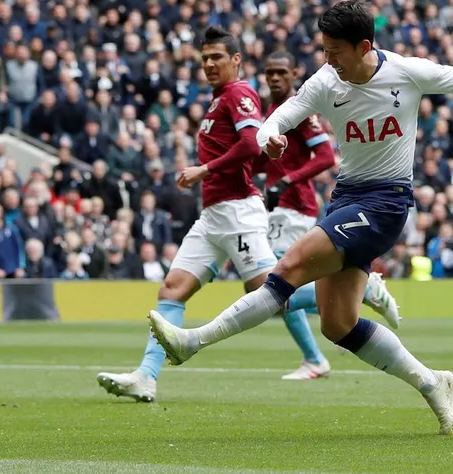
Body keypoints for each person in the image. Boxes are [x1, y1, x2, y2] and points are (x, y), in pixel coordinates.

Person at [147, 0, 453, 435]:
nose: (328, 60)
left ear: (364, 45)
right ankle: (433, 382)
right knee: (338, 325)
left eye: (335, 51)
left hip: (387, 202)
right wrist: (270, 137)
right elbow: (279, 117)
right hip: (347, 198)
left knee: (289, 266)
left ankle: (192, 342)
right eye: (324, 51)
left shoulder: (407, 72)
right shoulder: (326, 80)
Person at [96, 26, 326, 402]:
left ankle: (359, 288)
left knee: (265, 293)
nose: (209, 64)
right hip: (213, 215)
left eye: (217, 57)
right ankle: (146, 377)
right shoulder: (219, 98)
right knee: (173, 289)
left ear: (236, 60)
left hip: (237, 210)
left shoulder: (239, 93)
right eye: (204, 58)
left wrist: (204, 169)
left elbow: (251, 143)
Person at [260, 51, 401, 381]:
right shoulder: (271, 113)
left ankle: (317, 355)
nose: (275, 78)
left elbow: (325, 157)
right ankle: (316, 355)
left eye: (281, 72)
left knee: (275, 287)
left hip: (296, 207)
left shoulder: (302, 113)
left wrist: (286, 180)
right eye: (269, 73)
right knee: (276, 289)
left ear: (295, 73)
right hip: (279, 209)